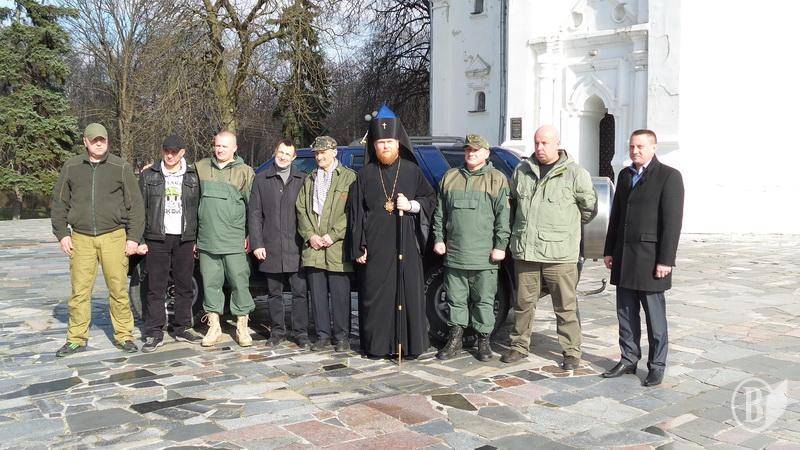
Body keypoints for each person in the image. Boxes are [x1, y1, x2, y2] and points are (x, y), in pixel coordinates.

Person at [501, 125, 597, 370]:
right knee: (523, 303)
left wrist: (563, 230)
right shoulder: (522, 171)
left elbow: (588, 209)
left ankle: (571, 351)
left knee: (565, 306)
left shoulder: (575, 173)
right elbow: (513, 206)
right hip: (527, 251)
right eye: (537, 143)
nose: (540, 147)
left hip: (560, 255)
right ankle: (519, 346)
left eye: (545, 143)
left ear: (557, 144)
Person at [348, 105, 436, 359]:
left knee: (407, 295)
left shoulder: (412, 171)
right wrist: (359, 245)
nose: (385, 146)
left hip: (405, 244)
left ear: (398, 143)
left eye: (389, 142)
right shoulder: (365, 175)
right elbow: (356, 213)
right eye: (380, 143)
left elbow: (430, 199)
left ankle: (409, 346)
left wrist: (411, 205)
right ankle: (377, 346)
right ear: (374, 146)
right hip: (375, 247)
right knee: (376, 297)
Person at [51, 123, 144, 357]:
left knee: (118, 289)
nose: (99, 143)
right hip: (81, 238)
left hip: (114, 236)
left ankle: (124, 336)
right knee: (80, 292)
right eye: (94, 140)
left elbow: (136, 206)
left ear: (107, 141)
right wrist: (62, 234)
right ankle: (76, 339)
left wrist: (133, 237)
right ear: (85, 141)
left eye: (102, 139)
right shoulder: (72, 167)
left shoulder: (120, 167)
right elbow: (59, 203)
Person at [601, 129, 684, 387]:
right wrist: (609, 249)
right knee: (625, 313)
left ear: (653, 147)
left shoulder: (669, 176)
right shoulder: (625, 175)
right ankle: (628, 358)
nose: (635, 151)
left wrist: (666, 260)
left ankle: (656, 365)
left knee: (654, 318)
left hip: (650, 259)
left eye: (640, 146)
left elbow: (672, 223)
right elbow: (616, 215)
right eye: (632, 146)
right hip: (625, 256)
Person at [432, 134, 510, 362]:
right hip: (455, 254)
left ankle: (483, 342)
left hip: (484, 256)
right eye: (468, 150)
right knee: (455, 299)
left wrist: (500, 246)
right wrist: (439, 239)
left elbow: (503, 217)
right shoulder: (450, 177)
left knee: (484, 301)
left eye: (475, 150)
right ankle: (455, 340)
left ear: (486, 153)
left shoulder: (497, 179)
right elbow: (440, 213)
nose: (470, 153)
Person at [136, 134, 202, 352]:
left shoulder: (193, 175)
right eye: (167, 151)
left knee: (184, 285)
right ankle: (155, 331)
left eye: (174, 152)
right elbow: (140, 208)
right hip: (157, 237)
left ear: (183, 152)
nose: (170, 155)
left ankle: (182, 327)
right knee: (156, 287)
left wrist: (197, 238)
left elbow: (199, 208)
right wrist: (139, 239)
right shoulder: (149, 175)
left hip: (185, 237)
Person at [296, 136, 357, 352]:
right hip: (313, 247)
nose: (319, 156)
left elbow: (352, 212)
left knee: (340, 295)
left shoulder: (349, 177)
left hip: (336, 247)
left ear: (334, 152)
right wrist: (310, 235)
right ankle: (322, 335)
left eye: (322, 152)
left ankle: (341, 337)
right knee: (317, 295)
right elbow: (301, 209)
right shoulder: (310, 178)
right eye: (316, 153)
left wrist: (333, 235)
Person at [195, 131, 255, 347]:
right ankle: (214, 327)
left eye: (224, 146)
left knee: (240, 282)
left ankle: (242, 326)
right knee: (211, 283)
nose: (219, 150)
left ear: (235, 148)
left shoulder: (245, 172)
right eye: (217, 145)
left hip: (234, 239)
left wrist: (251, 234)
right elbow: (176, 170)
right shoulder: (200, 167)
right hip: (207, 239)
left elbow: (253, 207)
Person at [249, 139, 310, 348]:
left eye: (287, 154)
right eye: (280, 152)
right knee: (274, 293)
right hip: (271, 245)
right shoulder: (261, 179)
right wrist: (257, 243)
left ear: (294, 157)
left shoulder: (302, 179)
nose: (283, 157)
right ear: (275, 152)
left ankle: (300, 332)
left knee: (300, 293)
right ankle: (277, 331)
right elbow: (255, 214)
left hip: (296, 246)